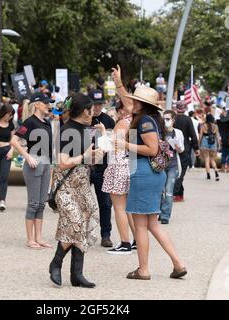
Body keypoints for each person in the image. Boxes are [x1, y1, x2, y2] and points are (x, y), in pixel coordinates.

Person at [117, 86, 186, 281]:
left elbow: (152, 149)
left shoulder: (145, 121)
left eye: (136, 101)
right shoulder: (152, 119)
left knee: (140, 226)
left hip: (143, 173)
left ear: (143, 104)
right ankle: (178, 264)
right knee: (153, 224)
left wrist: (125, 144)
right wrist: (119, 83)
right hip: (152, 174)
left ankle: (144, 269)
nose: (132, 103)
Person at [48, 93, 104, 288]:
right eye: (91, 109)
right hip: (67, 186)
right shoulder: (67, 131)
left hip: (83, 184)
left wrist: (98, 150)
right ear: (84, 111)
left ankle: (76, 274)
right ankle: (56, 263)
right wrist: (85, 156)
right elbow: (62, 163)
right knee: (75, 222)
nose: (94, 112)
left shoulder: (85, 130)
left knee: (85, 222)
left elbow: (90, 159)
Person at [11, 92, 54, 249]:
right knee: (33, 203)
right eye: (45, 103)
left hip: (46, 163)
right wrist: (27, 157)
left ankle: (39, 237)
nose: (48, 105)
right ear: (37, 104)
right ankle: (30, 239)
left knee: (42, 203)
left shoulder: (47, 123)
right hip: (34, 163)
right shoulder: (29, 122)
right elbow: (14, 140)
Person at [102, 65, 136, 254]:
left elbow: (111, 147)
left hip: (118, 165)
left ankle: (124, 243)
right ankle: (135, 239)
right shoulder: (141, 121)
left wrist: (102, 134)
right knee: (128, 208)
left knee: (119, 208)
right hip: (131, 165)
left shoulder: (123, 123)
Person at [89, 89, 116, 248]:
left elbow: (111, 145)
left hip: (102, 167)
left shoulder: (108, 121)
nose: (97, 107)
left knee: (105, 203)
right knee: (82, 201)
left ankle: (106, 235)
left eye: (99, 104)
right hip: (84, 165)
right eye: (94, 104)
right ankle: (81, 232)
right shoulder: (83, 118)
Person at [160, 110, 184, 224]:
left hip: (173, 165)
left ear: (173, 120)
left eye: (168, 119)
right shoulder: (160, 131)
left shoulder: (178, 133)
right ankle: (159, 211)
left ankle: (165, 216)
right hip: (160, 164)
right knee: (160, 190)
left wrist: (177, 147)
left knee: (169, 190)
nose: (165, 121)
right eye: (164, 118)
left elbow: (181, 149)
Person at [173, 102, 200, 202]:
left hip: (173, 147)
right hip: (185, 148)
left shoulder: (173, 118)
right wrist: (196, 148)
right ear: (185, 109)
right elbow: (193, 134)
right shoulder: (187, 119)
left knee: (176, 170)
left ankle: (179, 194)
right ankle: (174, 192)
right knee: (182, 171)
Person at [199, 114, 220, 181]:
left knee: (207, 159)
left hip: (205, 142)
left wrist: (198, 144)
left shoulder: (203, 126)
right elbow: (217, 136)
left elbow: (200, 136)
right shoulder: (215, 126)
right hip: (213, 142)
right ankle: (216, 173)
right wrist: (218, 144)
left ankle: (208, 175)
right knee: (212, 159)